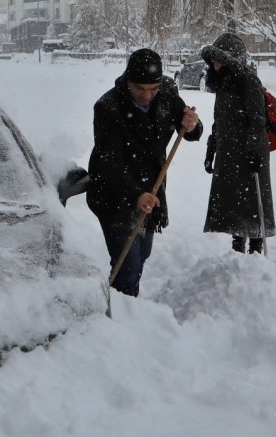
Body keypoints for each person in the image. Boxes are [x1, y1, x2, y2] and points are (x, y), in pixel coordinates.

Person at [87, 48, 202, 297]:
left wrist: (192, 124)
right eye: (139, 88)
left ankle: (129, 305)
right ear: (127, 80)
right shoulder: (108, 107)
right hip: (113, 192)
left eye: (153, 89)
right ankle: (119, 311)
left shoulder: (167, 95)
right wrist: (134, 194)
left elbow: (191, 129)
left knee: (142, 255)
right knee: (127, 264)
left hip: (151, 186)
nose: (147, 95)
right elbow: (109, 163)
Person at [201, 33, 275, 254]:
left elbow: (257, 119)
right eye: (212, 58)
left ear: (229, 59)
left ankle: (255, 252)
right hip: (229, 151)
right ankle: (236, 251)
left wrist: (253, 150)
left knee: (253, 203)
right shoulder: (224, 84)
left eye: (218, 58)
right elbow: (218, 120)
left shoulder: (249, 81)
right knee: (235, 202)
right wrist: (211, 148)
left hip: (249, 152)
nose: (213, 63)